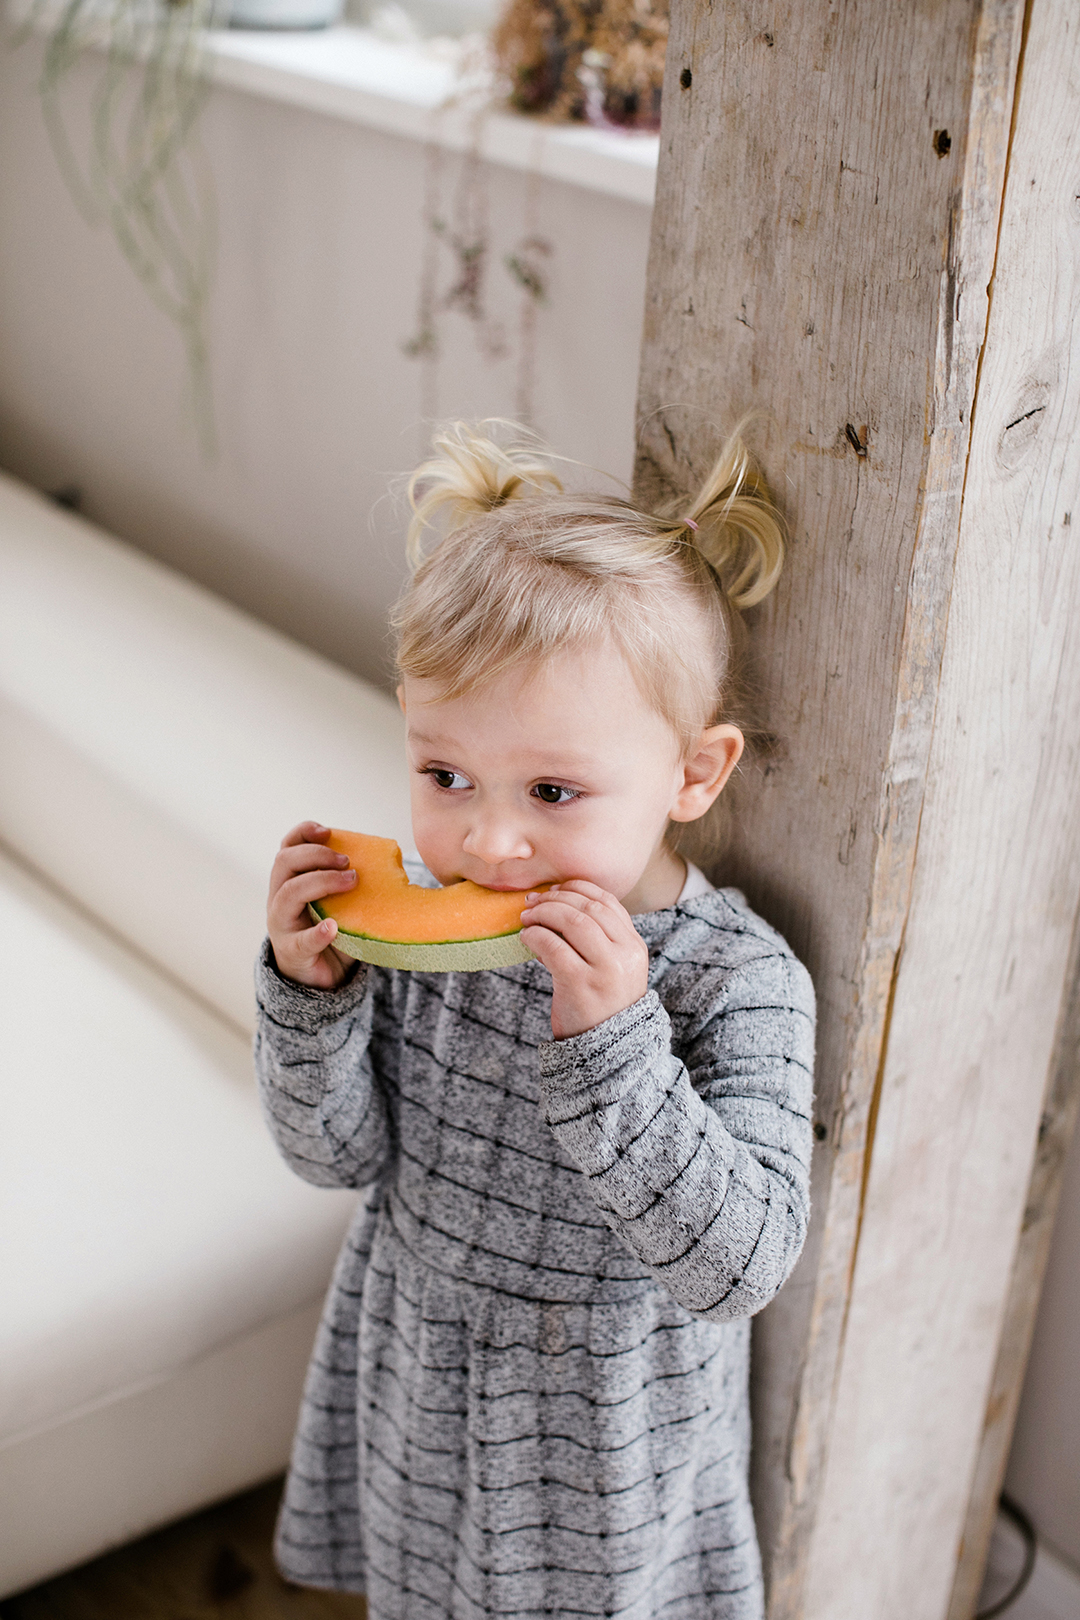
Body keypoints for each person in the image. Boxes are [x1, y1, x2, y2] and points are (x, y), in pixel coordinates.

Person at [255, 421, 815, 1620]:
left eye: (552, 792)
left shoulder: (738, 979)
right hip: (424, 1364)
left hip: (601, 1432)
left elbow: (741, 1267)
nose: (487, 841)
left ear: (693, 775)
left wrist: (617, 1044)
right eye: (445, 774)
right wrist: (314, 998)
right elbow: (334, 1156)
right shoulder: (424, 920)